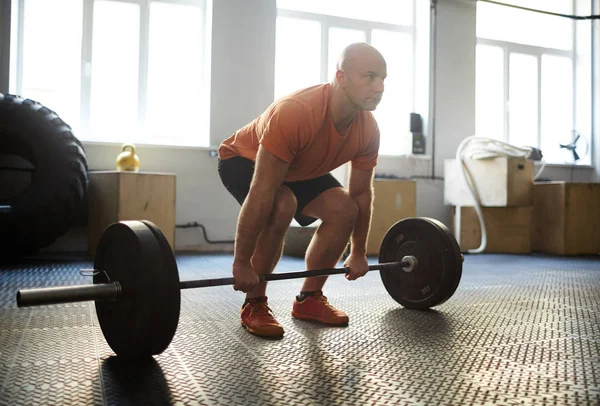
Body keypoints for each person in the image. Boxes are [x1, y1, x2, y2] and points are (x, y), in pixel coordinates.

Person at [217, 42, 386, 338]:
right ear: (341, 77)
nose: (380, 86)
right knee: (281, 204)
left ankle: (309, 299)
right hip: (243, 159)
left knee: (344, 208)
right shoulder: (296, 112)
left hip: (300, 166)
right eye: (370, 76)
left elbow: (361, 195)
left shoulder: (368, 129)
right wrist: (241, 262)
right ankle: (254, 302)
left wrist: (359, 252)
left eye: (383, 78)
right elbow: (262, 190)